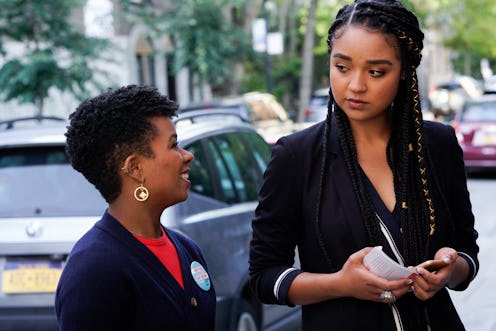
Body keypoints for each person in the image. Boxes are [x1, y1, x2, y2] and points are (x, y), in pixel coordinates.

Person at [249, 1, 479, 330]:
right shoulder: (296, 156)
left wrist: (451, 267)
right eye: (342, 67)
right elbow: (263, 277)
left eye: (376, 72)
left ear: (404, 73)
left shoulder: (438, 145)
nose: (355, 85)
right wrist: (341, 283)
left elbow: (467, 252)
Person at [55, 85, 216, 331]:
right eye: (173, 145)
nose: (186, 156)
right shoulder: (93, 271)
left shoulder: (187, 250)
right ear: (135, 169)